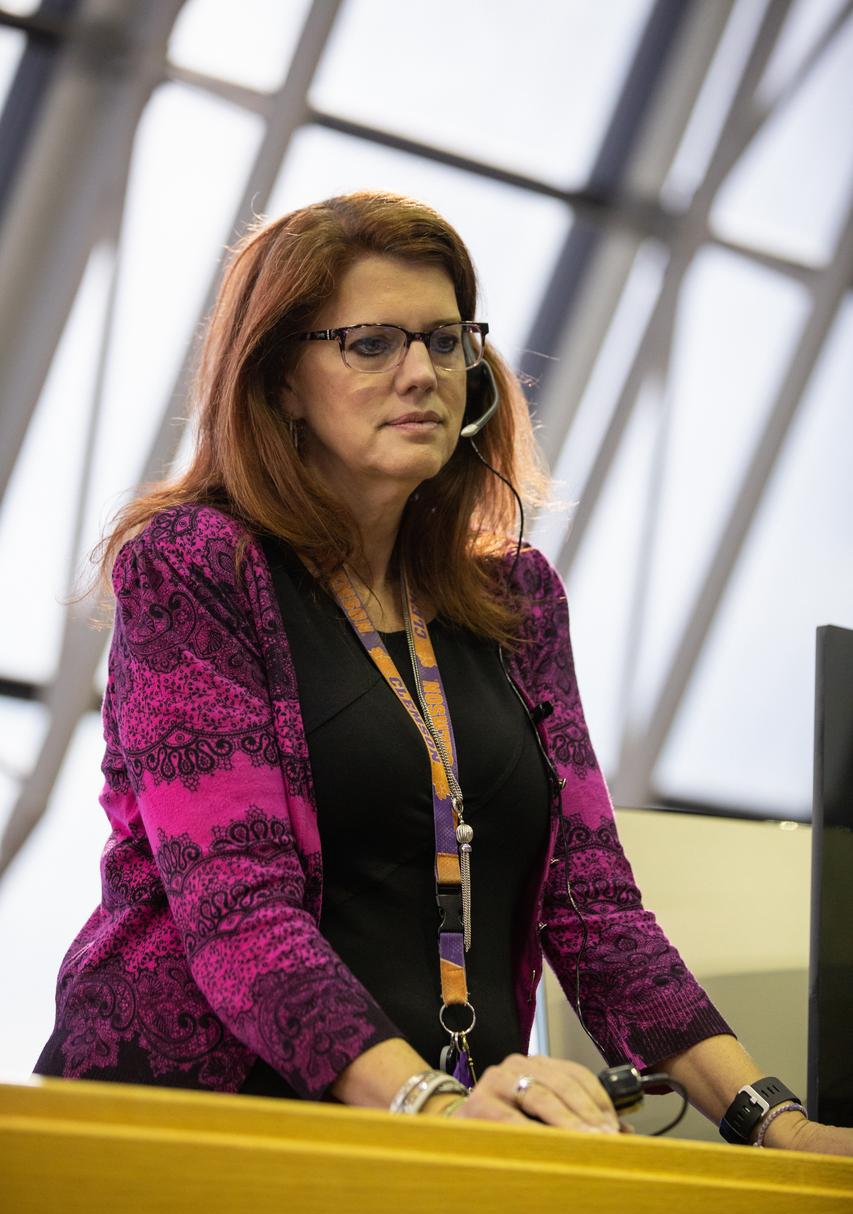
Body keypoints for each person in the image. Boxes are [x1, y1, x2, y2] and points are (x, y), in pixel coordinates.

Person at [35, 191, 850, 1152]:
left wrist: (775, 1121)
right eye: (371, 344)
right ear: (281, 379)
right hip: (197, 1132)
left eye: (445, 338)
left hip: (454, 1138)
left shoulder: (517, 597)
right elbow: (238, 911)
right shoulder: (193, 565)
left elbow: (595, 912)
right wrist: (431, 1108)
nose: (421, 373)